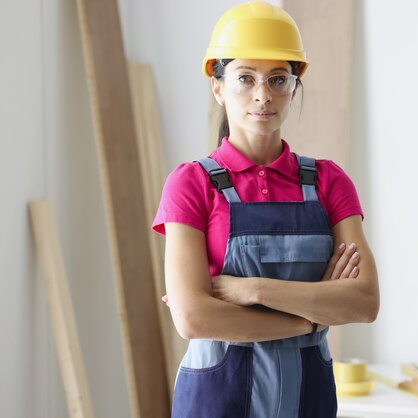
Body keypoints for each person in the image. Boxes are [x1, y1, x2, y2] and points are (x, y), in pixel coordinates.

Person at [152, 1, 379, 417]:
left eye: (279, 79)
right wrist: (308, 319)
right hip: (215, 403)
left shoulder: (329, 182)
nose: (263, 94)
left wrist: (250, 290)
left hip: (306, 400)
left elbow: (363, 303)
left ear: (294, 86)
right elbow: (192, 317)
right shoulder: (192, 183)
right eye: (245, 78)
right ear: (218, 87)